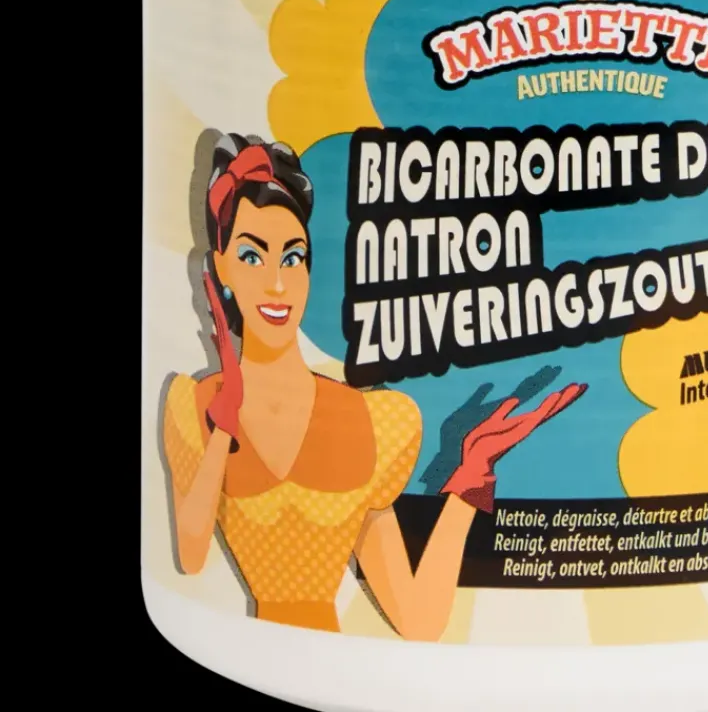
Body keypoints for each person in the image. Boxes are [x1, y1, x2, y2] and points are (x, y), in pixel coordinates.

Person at [161, 133, 585, 638]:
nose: (277, 284)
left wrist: (471, 480)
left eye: (293, 258)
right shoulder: (194, 408)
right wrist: (223, 430)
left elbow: (419, 618)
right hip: (250, 650)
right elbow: (190, 556)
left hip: (336, 657)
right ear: (221, 267)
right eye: (253, 257)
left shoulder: (366, 422)